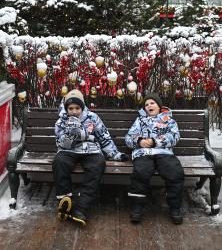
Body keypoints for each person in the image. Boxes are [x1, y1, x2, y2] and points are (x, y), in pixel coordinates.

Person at [53, 89, 127, 226]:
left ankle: (82, 206)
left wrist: (114, 154)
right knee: (59, 162)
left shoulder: (92, 118)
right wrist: (71, 133)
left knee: (98, 164)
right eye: (70, 108)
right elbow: (61, 143)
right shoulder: (60, 122)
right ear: (66, 108)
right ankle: (65, 200)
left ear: (82, 107)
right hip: (69, 150)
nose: (74, 111)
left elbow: (104, 137)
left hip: (90, 149)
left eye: (77, 108)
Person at [125, 93, 184, 224]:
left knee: (174, 172)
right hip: (143, 153)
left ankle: (175, 207)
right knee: (141, 172)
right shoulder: (140, 121)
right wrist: (139, 141)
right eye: (146, 104)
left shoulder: (168, 119)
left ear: (159, 106)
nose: (149, 106)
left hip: (163, 152)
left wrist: (155, 141)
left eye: (152, 103)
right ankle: (137, 207)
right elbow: (128, 138)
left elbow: (175, 136)